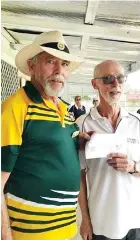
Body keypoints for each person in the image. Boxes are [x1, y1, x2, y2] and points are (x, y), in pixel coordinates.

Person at [1, 30, 88, 240]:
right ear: (32, 66)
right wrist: (5, 234)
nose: (59, 70)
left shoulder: (64, 109)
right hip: (30, 232)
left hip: (66, 228)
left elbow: (51, 146)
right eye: (51, 61)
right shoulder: (16, 107)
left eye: (65, 65)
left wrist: (79, 140)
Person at [77, 60, 140, 240]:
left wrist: (133, 167)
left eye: (120, 78)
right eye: (108, 79)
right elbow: (79, 176)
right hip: (102, 221)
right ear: (94, 83)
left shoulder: (136, 122)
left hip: (135, 220)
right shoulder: (82, 125)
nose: (115, 84)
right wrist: (85, 219)